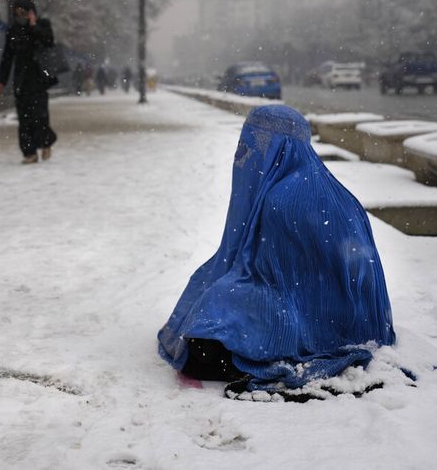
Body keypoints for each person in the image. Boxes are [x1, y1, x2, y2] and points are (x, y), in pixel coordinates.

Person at [157, 105, 396, 399]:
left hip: (320, 319)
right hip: (344, 313)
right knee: (210, 294)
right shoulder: (310, 180)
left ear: (279, 150)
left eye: (253, 147)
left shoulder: (285, 198)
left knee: (208, 329)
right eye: (242, 147)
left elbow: (285, 285)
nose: (243, 157)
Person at [0, 0, 58, 164]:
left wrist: (33, 25)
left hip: (39, 80)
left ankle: (45, 143)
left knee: (40, 115)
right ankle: (29, 152)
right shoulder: (13, 32)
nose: (20, 16)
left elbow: (49, 41)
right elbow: (7, 57)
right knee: (24, 118)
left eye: (24, 12)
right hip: (21, 81)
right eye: (17, 13)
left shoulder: (42, 25)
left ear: (31, 11)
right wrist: (1, 79)